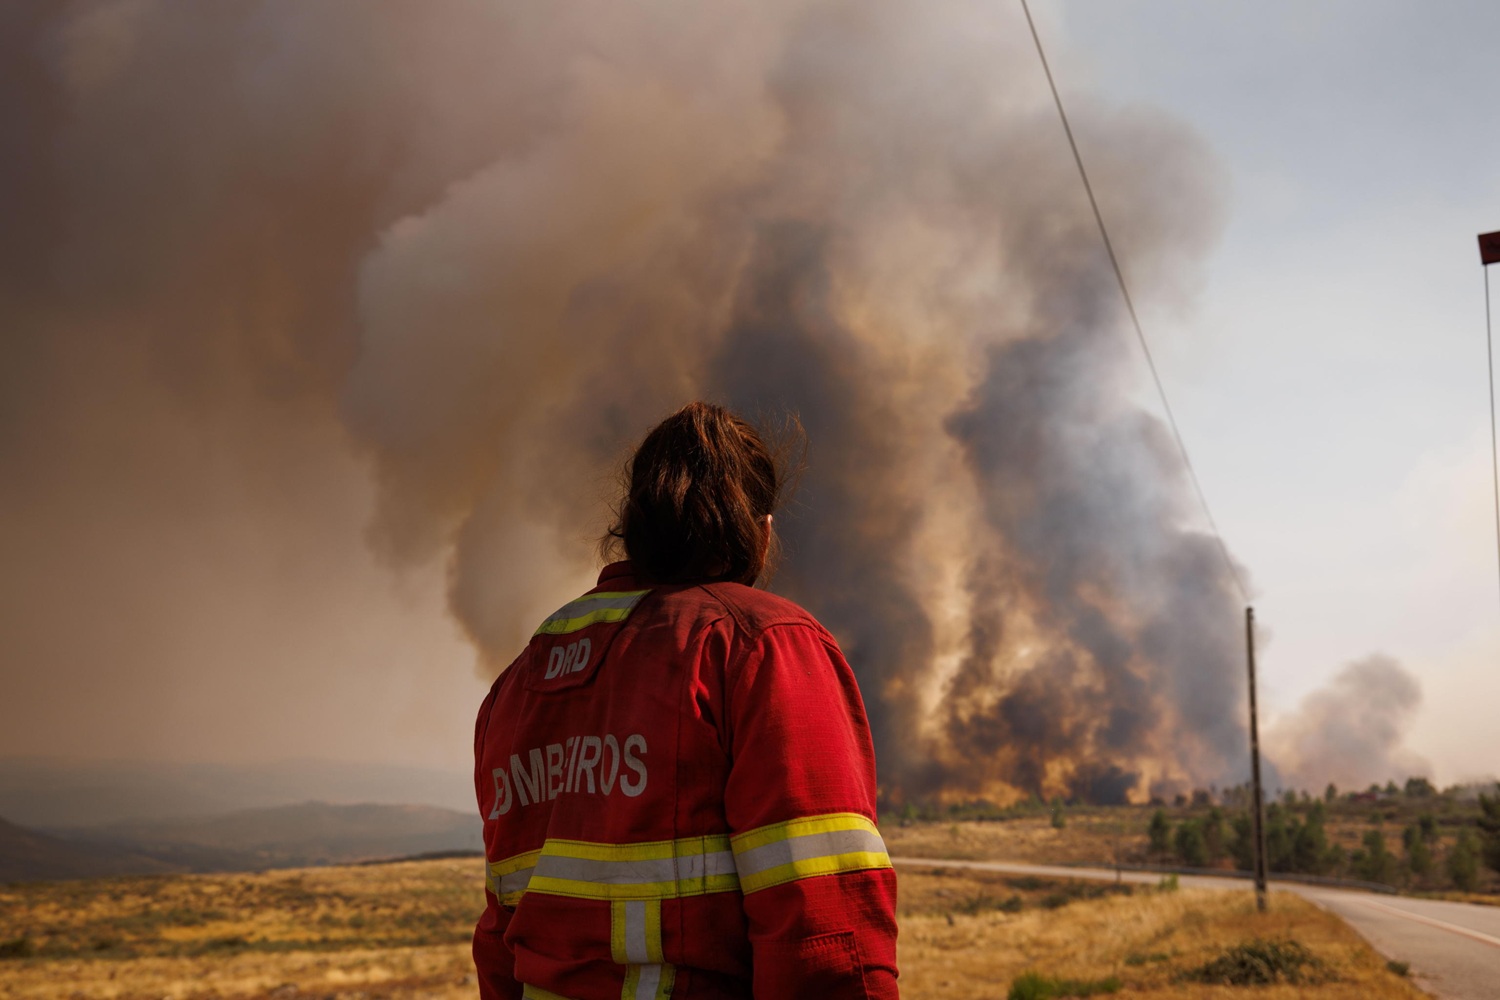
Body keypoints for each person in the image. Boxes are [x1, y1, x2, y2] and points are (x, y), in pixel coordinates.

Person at [472, 401, 899, 1000]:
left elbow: (500, 936)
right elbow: (823, 927)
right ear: (763, 529)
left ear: (631, 524)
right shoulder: (759, 645)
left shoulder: (519, 682)